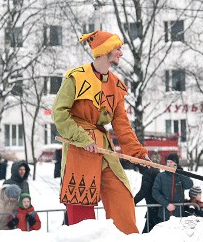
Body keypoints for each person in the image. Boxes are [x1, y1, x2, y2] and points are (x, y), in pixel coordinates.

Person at [52, 30, 150, 234]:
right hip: (80, 149)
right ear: (105, 51)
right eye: (118, 49)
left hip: (104, 148)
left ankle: (128, 239)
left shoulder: (116, 85)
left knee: (122, 196)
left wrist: (138, 153)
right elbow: (59, 113)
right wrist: (80, 137)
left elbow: (122, 123)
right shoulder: (76, 78)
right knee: (80, 203)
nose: (121, 53)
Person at [152, 153, 193, 221]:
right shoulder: (161, 176)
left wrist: (180, 172)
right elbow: (155, 192)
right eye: (167, 162)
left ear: (176, 163)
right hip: (164, 214)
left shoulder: (180, 175)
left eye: (171, 162)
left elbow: (189, 185)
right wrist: (166, 204)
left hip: (178, 214)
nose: (169, 164)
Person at [134, 164, 161, 233]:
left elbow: (144, 191)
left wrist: (133, 201)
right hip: (157, 205)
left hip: (153, 206)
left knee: (150, 231)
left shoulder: (147, 173)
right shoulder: (154, 170)